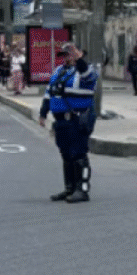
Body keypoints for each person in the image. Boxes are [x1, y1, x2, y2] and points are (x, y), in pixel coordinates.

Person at [38, 42, 98, 204]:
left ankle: (82, 190)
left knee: (79, 154)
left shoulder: (86, 70)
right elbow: (49, 94)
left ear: (79, 54)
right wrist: (43, 113)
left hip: (77, 119)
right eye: (64, 55)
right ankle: (70, 188)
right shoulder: (59, 71)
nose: (66, 57)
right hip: (61, 121)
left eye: (70, 54)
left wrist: (79, 59)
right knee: (66, 155)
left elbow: (88, 77)